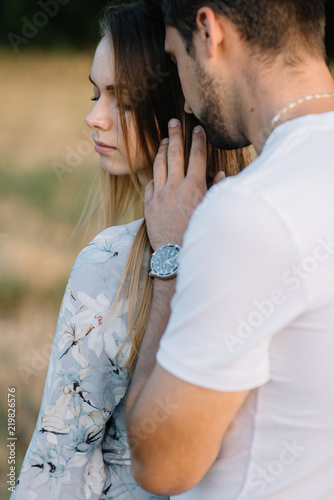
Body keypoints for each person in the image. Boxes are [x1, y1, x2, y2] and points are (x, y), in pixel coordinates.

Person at [10, 1, 250, 499]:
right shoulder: (259, 229)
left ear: (176, 99)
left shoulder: (109, 264)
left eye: (118, 98)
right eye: (95, 93)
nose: (92, 118)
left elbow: (55, 473)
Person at [125, 1, 334, 499]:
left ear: (207, 29)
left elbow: (161, 463)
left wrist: (172, 255)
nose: (189, 105)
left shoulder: (250, 210)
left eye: (177, 61)